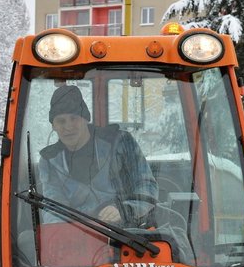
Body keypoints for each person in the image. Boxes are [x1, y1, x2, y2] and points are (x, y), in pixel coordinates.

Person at [37, 85, 158, 228]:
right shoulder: (50, 161)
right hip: (81, 236)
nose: (68, 127)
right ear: (53, 126)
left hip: (130, 233)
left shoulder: (120, 143)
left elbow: (147, 186)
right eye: (61, 121)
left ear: (85, 119)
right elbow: (53, 207)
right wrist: (64, 233)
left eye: (73, 118)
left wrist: (125, 209)